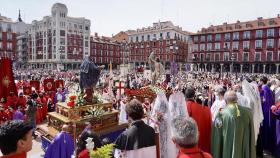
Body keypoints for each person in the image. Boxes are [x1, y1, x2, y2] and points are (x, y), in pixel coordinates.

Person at [211, 90, 256, 158]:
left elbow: (217, 137)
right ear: (237, 99)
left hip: (227, 150)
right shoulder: (248, 113)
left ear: (225, 101)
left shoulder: (221, 115)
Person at [186, 88, 212, 153]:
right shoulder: (205, 110)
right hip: (201, 141)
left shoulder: (183, 106)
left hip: (188, 141)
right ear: (194, 96)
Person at [259, 76, 276, 154]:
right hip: (268, 111)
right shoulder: (267, 88)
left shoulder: (264, 89)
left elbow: (264, 101)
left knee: (265, 129)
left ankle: (265, 145)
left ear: (262, 81)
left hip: (266, 112)